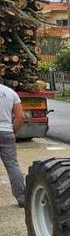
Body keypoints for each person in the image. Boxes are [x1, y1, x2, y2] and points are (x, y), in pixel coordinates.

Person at [0, 80, 26, 208]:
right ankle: (22, 198)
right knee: (12, 165)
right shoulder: (10, 92)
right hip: (7, 133)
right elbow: (20, 117)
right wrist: (13, 131)